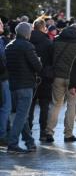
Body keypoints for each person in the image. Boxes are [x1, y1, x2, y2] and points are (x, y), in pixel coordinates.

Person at [43, 24, 76, 142]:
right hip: (73, 79)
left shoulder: (56, 40)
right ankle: (68, 134)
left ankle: (49, 132)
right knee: (71, 106)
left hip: (57, 77)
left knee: (55, 104)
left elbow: (50, 58)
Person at [4, 22, 43, 153]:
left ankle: (29, 142)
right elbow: (37, 66)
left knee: (22, 115)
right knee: (21, 116)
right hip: (25, 85)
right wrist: (39, 62)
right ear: (27, 33)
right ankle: (13, 144)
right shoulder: (27, 46)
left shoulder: (9, 46)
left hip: (13, 85)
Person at [28, 19, 53, 140]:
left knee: (30, 106)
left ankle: (28, 132)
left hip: (30, 77)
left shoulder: (28, 40)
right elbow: (51, 60)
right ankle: (43, 132)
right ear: (43, 28)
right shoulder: (48, 42)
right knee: (44, 106)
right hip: (45, 78)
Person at [0, 18, 11, 146]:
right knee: (5, 106)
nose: (2, 25)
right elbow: (3, 59)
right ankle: (2, 135)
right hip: (3, 78)